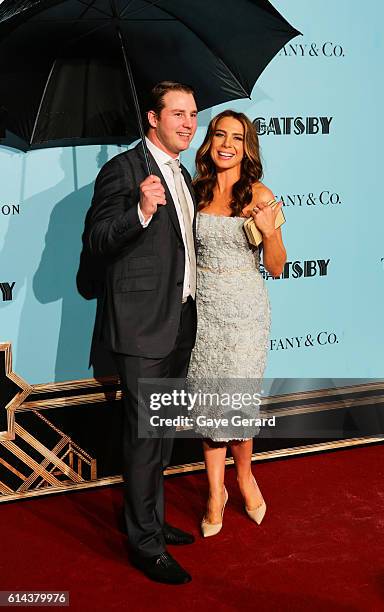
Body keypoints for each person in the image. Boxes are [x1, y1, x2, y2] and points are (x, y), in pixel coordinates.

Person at [83, 82, 198, 584]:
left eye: (193, 114)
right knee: (145, 439)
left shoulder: (183, 172)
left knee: (164, 435)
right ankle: (144, 544)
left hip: (180, 323)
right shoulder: (122, 171)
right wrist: (141, 210)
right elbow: (97, 240)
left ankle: (151, 520)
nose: (189, 123)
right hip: (142, 329)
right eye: (178, 114)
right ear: (152, 118)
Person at [188, 109, 286, 537]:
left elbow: (278, 268)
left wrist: (269, 232)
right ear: (209, 141)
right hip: (203, 309)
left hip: (245, 310)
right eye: (220, 135)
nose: (227, 144)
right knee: (210, 401)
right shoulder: (195, 190)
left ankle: (244, 477)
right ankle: (215, 491)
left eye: (237, 138)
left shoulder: (260, 194)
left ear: (248, 148)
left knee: (238, 401)